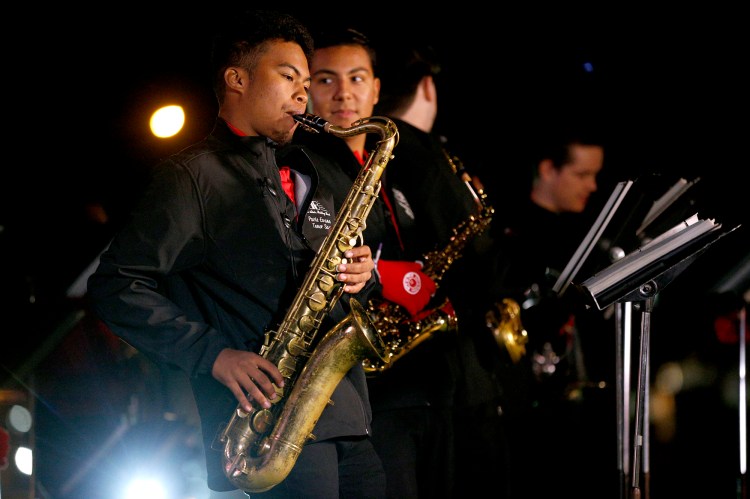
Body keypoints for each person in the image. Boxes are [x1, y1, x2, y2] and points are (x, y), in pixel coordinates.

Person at [87, 10, 387, 499]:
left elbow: (331, 276)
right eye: (288, 76)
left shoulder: (310, 172)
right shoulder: (192, 177)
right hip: (273, 426)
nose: (302, 93)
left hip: (348, 416)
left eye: (306, 82)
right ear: (237, 79)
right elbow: (115, 285)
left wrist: (361, 275)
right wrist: (213, 354)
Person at [298, 28, 495, 498]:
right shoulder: (304, 163)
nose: (344, 93)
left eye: (356, 78)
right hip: (369, 395)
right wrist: (395, 277)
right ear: (305, 90)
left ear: (377, 89)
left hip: (424, 382)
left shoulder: (388, 162)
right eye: (325, 80)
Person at [462, 125, 615, 498]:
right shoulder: (505, 235)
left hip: (575, 409)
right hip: (521, 415)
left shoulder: (589, 237)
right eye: (582, 174)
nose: (593, 186)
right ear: (548, 169)